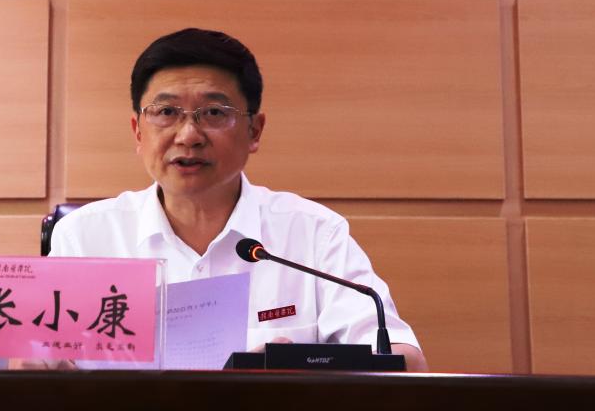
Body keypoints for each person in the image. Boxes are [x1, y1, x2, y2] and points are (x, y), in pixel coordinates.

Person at [51, 28, 427, 371]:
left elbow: (405, 362)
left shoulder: (313, 234)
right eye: (166, 112)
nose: (188, 135)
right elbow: (37, 363)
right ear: (138, 132)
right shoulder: (84, 238)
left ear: (254, 131)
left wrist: (292, 372)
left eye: (214, 112)